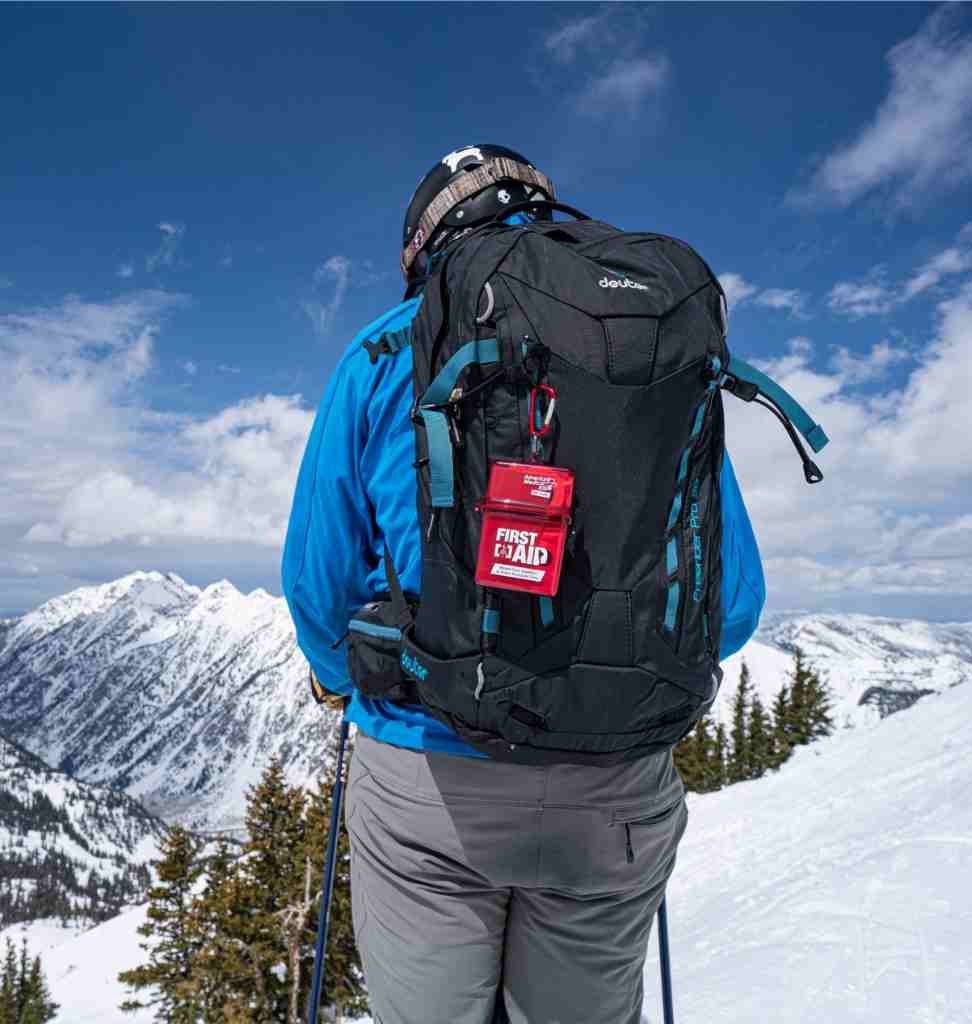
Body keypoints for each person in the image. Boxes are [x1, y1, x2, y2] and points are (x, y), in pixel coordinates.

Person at [283, 145, 689, 1024]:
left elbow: (316, 588)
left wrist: (349, 678)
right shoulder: (649, 350)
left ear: (421, 246)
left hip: (429, 772)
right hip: (612, 789)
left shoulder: (384, 350)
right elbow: (728, 605)